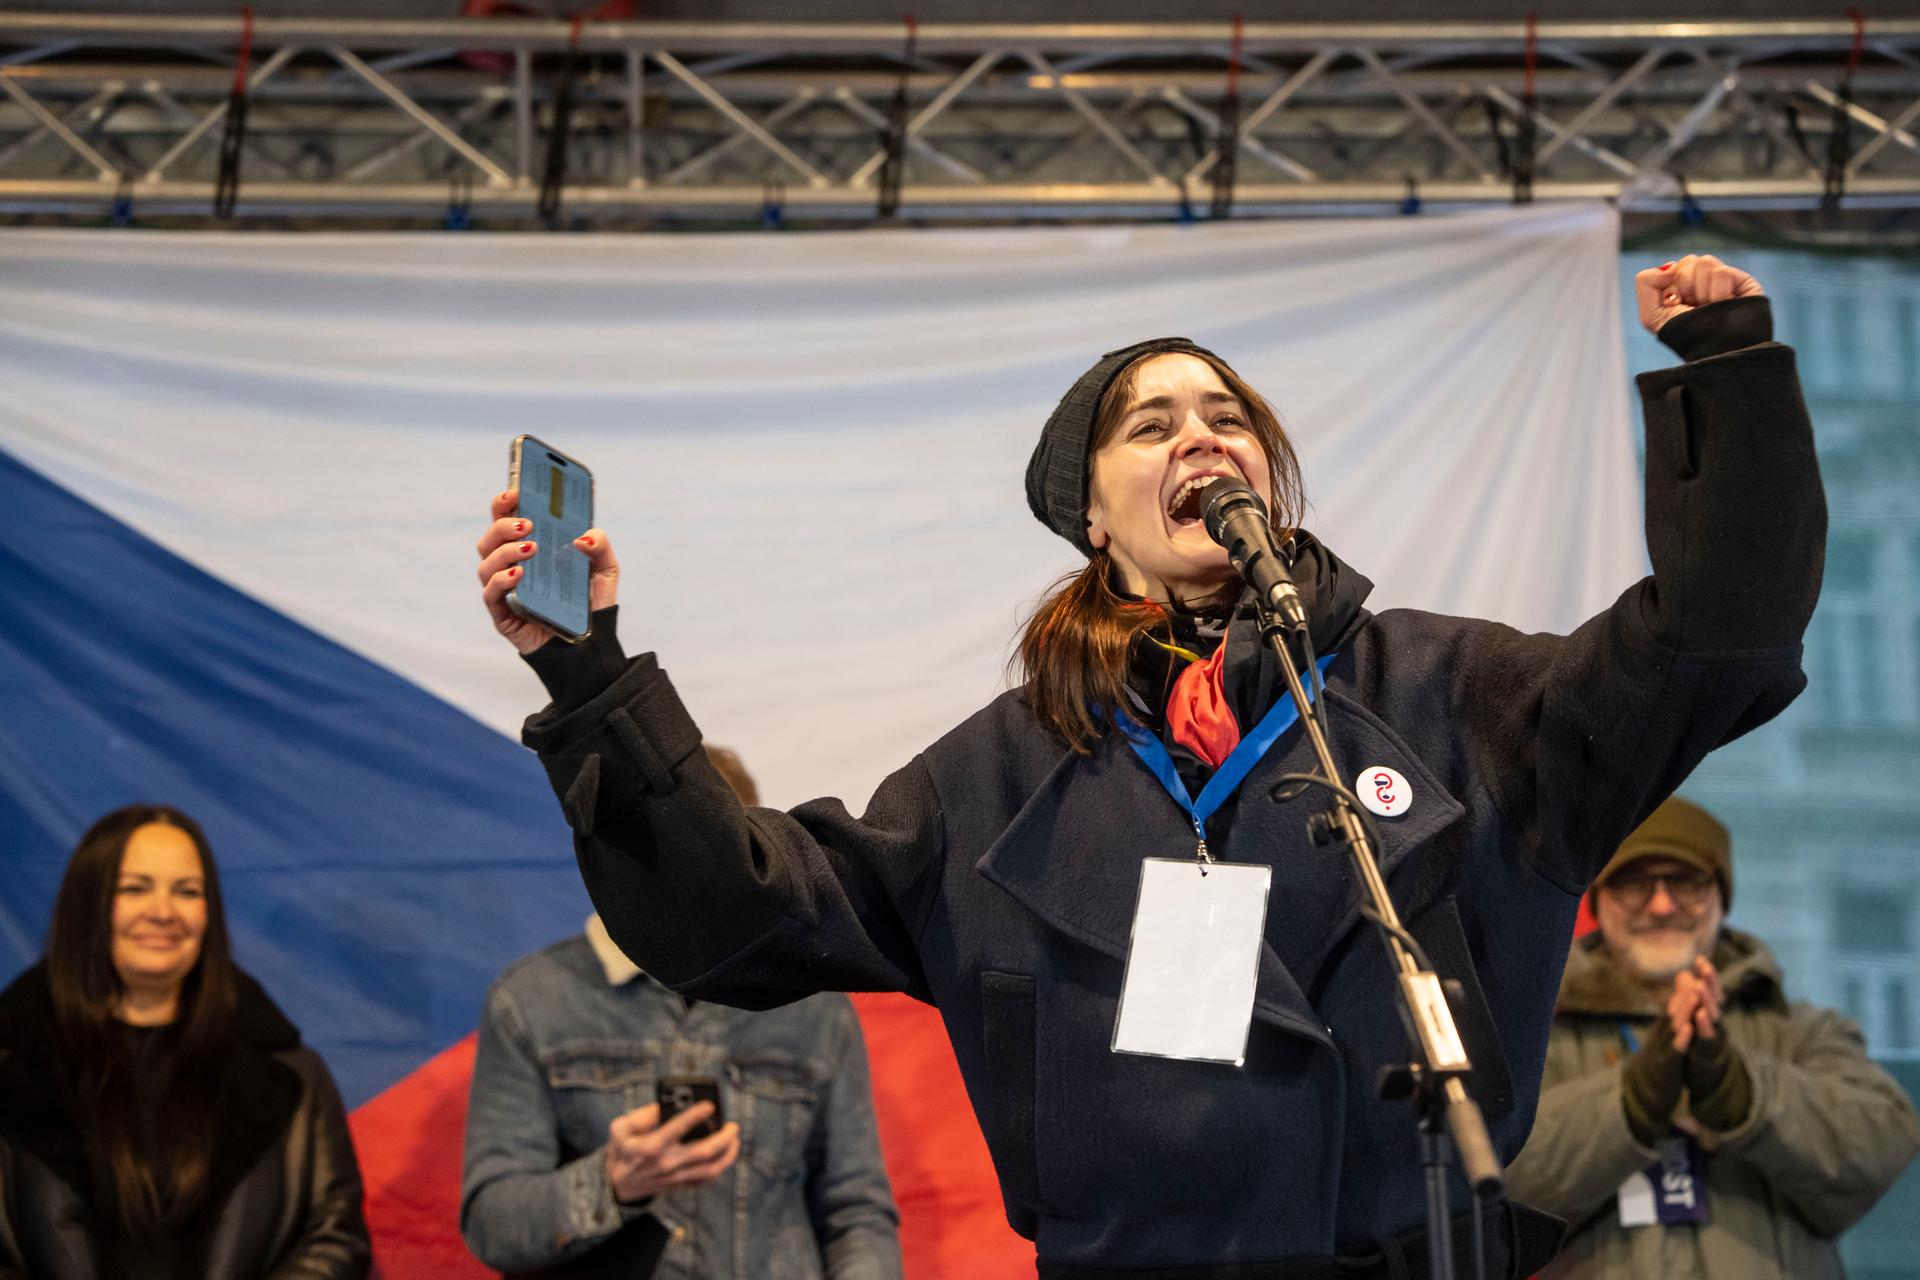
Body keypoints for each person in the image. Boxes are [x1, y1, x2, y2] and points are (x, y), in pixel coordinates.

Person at [472, 254, 1825, 1278]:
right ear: (1094, 518)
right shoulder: (996, 776)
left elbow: (1714, 642)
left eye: (1228, 414)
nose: (1203, 435)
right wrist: (589, 677)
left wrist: (1730, 375)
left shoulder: (1451, 694)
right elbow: (735, 906)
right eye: (1152, 422)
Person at [460, 745, 904, 1280]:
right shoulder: (531, 1000)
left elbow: (857, 1211)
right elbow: (492, 1223)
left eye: (721, 856)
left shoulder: (816, 1006)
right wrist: (612, 1181)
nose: (689, 881)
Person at [1505, 796, 1920, 1277]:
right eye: (1635, 883)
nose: (1662, 905)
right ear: (1599, 901)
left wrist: (1738, 1091)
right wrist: (1634, 1099)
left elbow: (1882, 1145)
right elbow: (1494, 1184)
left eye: (1685, 882)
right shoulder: (1535, 1040)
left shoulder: (1801, 1029)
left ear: (1722, 898)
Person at [0, 805, 371, 1279]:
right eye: (135, 888)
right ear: (86, 904)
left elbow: (336, 1237)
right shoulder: (10, 1067)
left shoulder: (292, 1076)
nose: (163, 912)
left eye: (187, 892)